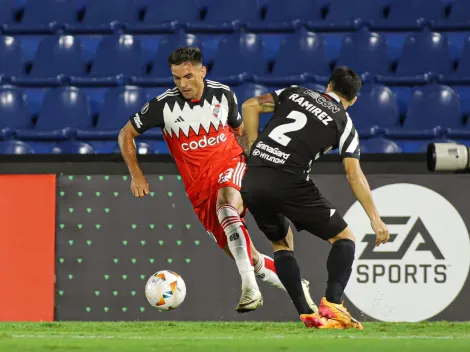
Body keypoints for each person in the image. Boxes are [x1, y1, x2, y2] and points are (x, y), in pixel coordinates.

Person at [118, 47, 317, 313]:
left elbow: (240, 131)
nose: (182, 84)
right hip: (199, 192)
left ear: (202, 71)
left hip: (230, 167)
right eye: (177, 78)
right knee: (247, 256)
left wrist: (259, 164)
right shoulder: (162, 106)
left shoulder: (223, 94)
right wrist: (136, 175)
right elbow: (125, 134)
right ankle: (297, 286)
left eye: (188, 76)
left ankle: (249, 288)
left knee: (226, 203)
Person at [240, 66, 390, 329]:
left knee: (282, 244)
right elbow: (353, 174)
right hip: (289, 181)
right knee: (344, 239)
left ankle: (306, 312)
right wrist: (375, 219)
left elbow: (250, 105)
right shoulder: (344, 123)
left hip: (253, 179)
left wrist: (253, 147)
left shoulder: (295, 92)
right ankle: (333, 303)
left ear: (328, 86)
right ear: (352, 100)